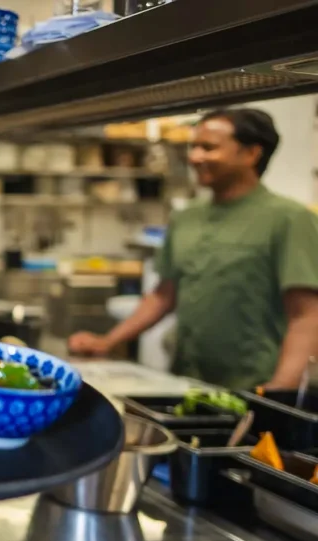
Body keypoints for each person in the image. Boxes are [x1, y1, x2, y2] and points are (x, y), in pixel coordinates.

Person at [69, 108, 318, 390]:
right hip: (188, 383)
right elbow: (163, 296)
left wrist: (281, 390)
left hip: (255, 388)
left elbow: (308, 315)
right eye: (194, 146)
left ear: (251, 154)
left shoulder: (290, 219)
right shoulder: (186, 217)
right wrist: (108, 342)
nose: (195, 157)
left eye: (208, 148)